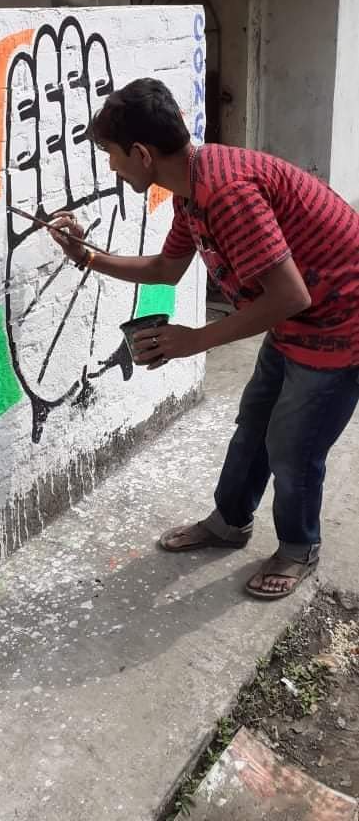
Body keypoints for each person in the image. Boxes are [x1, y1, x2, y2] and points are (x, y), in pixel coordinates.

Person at [50, 78, 359, 601]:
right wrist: (87, 256)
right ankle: (229, 523)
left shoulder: (227, 193)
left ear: (142, 154)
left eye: (111, 155)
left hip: (339, 325)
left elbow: (289, 295)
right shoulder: (193, 189)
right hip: (297, 320)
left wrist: (196, 340)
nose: (110, 167)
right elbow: (168, 267)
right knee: (254, 424)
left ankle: (298, 547)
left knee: (293, 447)